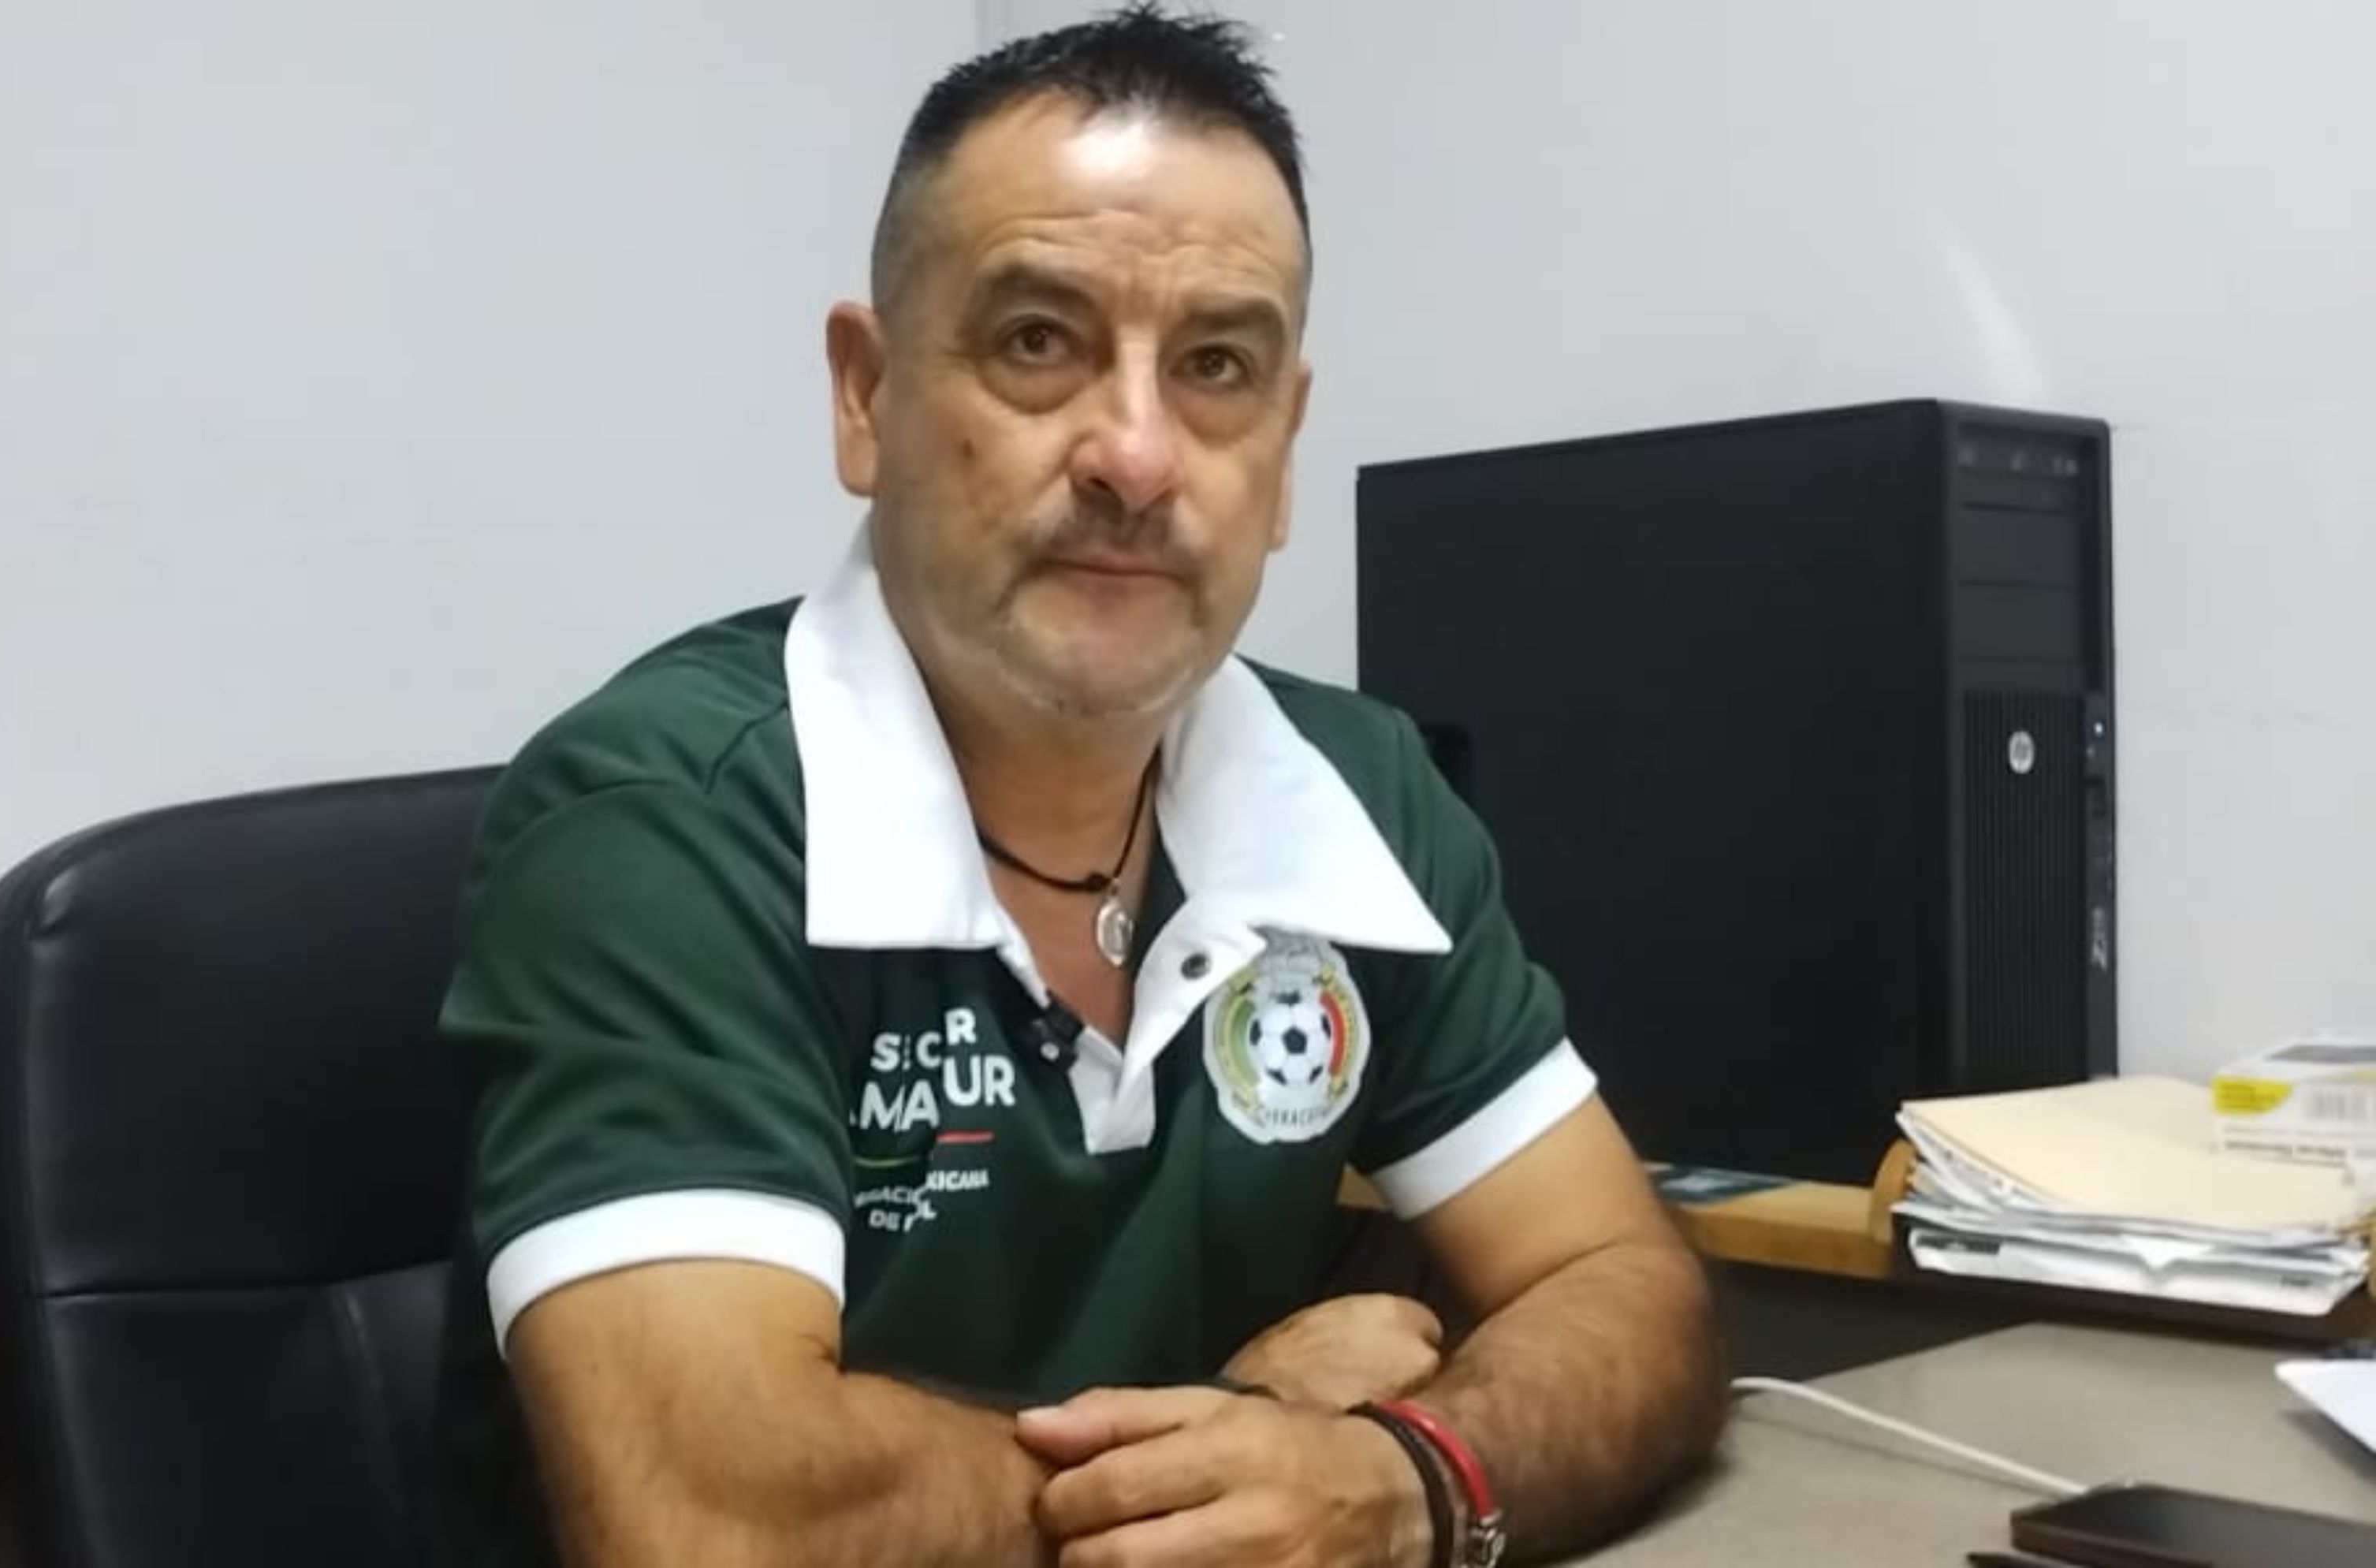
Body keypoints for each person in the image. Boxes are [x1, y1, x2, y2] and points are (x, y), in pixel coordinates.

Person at [433, 8, 1722, 1565]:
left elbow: (1627, 1284)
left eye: (1218, 366)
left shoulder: (1358, 791)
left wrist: (1405, 1480)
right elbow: (717, 1519)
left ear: (1285, 445)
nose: (1135, 453)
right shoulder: (663, 821)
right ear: (866, 397)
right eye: (1039, 341)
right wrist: (1240, 1430)